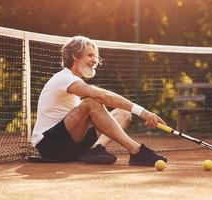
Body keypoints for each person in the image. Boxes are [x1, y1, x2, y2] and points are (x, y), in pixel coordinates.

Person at [31, 36, 167, 166]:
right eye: (90, 55)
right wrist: (143, 112)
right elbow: (103, 96)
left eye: (95, 56)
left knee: (123, 113)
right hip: (50, 146)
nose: (95, 60)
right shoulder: (64, 78)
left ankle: (96, 149)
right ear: (75, 55)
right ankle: (136, 151)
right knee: (91, 102)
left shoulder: (74, 81)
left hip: (71, 144)